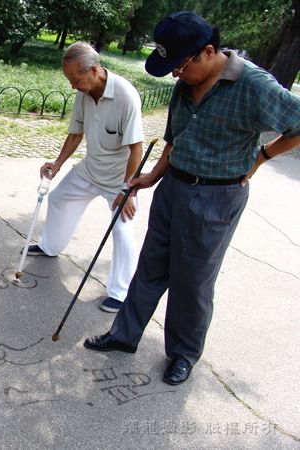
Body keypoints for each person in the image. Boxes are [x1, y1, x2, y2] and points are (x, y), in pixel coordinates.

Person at [83, 11, 300, 386]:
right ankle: (125, 334)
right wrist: (152, 176)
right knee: (151, 267)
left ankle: (183, 353)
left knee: (192, 280)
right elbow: (174, 137)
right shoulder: (185, 83)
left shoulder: (254, 84)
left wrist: (262, 157)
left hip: (217, 195)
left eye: (179, 65)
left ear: (208, 52)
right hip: (174, 187)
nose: (174, 74)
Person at [26, 41, 145, 313]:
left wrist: (128, 191)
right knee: (59, 198)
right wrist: (57, 163)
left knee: (123, 228)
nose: (72, 85)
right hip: (90, 168)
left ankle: (120, 292)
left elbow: (136, 148)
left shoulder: (126, 96)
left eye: (75, 79)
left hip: (119, 178)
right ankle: (50, 246)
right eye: (69, 79)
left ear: (94, 70)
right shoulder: (83, 92)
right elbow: (75, 133)